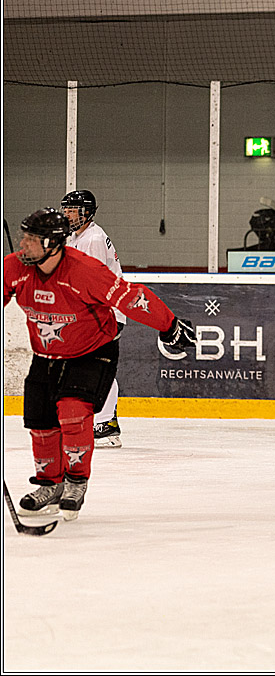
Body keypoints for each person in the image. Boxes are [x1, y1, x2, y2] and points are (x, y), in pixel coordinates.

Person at [4, 208, 196, 521]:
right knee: (41, 426)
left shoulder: (84, 271)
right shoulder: (14, 267)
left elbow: (131, 298)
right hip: (46, 356)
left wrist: (169, 324)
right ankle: (50, 484)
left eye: (31, 239)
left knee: (72, 413)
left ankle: (76, 482)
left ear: (52, 243)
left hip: (92, 352)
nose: (23, 244)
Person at [61, 190, 125, 448]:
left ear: (86, 212)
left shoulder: (93, 239)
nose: (67, 214)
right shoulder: (76, 236)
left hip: (103, 311)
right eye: (65, 210)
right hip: (94, 311)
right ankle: (102, 419)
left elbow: (93, 282)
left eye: (72, 210)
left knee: (97, 365)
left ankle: (107, 424)